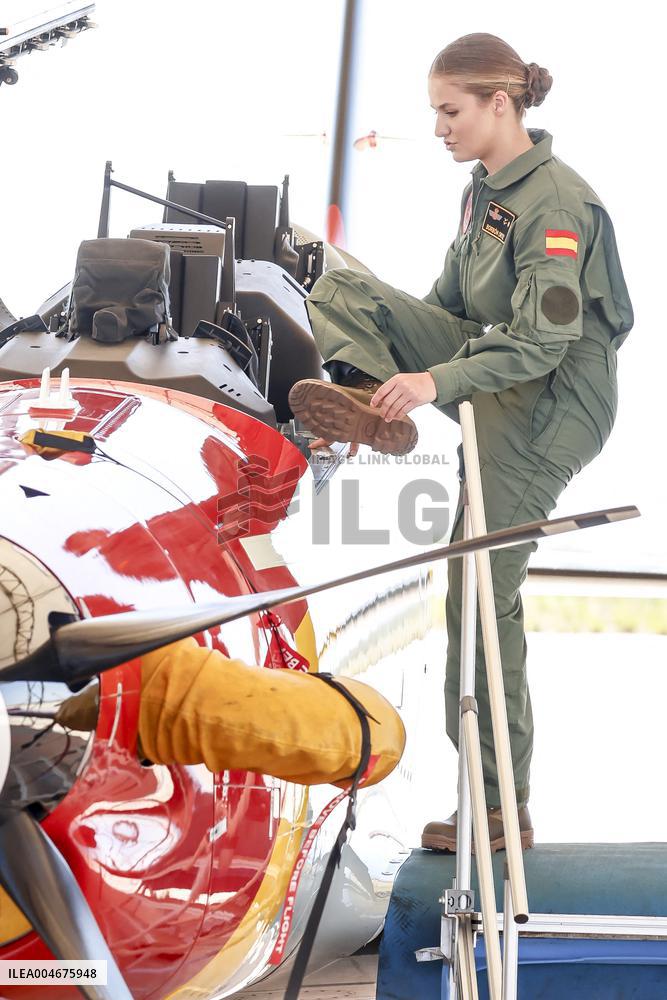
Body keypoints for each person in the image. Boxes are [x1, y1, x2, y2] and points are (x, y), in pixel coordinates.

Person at [288, 32, 633, 851]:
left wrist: (434, 381)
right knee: (336, 279)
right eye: (434, 112)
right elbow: (445, 307)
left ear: (499, 105)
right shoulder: (485, 192)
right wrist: (386, 338)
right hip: (494, 374)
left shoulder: (555, 204)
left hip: (552, 403)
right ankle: (370, 406)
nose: (438, 127)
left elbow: (545, 343)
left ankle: (497, 807)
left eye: (450, 111)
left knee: (478, 594)